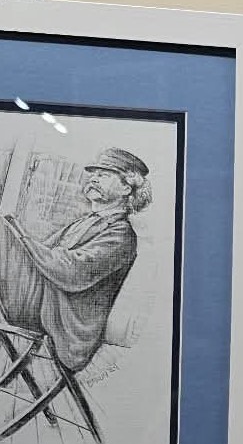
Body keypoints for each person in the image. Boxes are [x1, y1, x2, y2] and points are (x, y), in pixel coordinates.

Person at [0, 146, 151, 376]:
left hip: (64, 320)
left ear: (126, 187)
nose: (93, 179)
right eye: (93, 174)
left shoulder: (121, 234)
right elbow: (41, 255)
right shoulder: (83, 222)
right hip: (44, 302)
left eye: (104, 175)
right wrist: (18, 236)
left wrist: (20, 238)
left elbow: (73, 272)